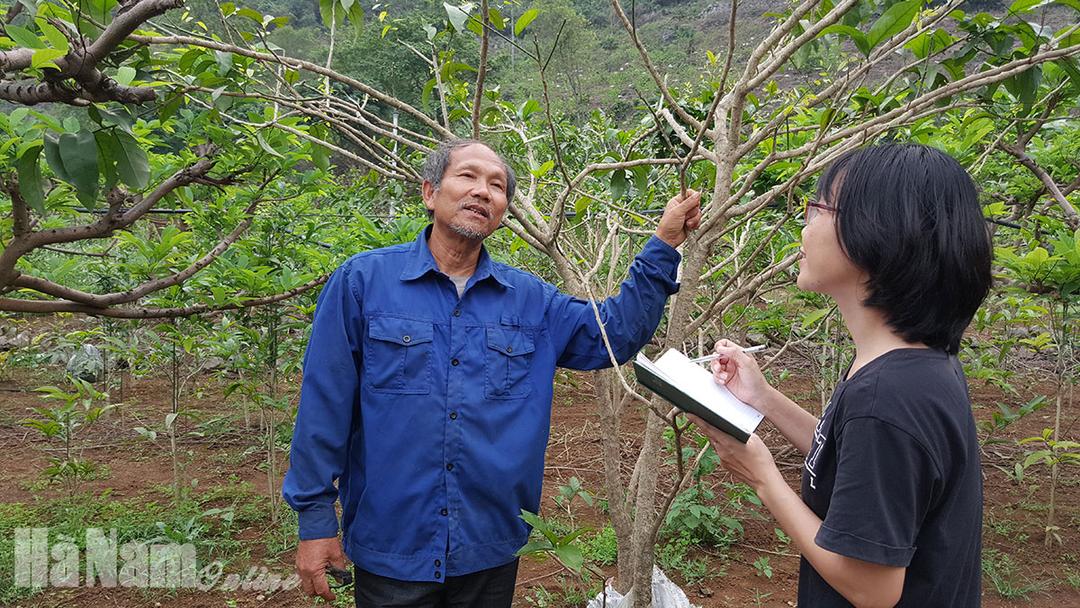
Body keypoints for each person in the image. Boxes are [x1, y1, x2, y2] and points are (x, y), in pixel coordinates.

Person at [283, 138, 702, 607]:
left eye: (497, 185)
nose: (483, 191)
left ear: (502, 211)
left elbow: (615, 335)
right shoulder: (362, 283)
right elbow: (324, 405)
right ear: (429, 192)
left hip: (488, 546)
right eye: (468, 176)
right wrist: (315, 520)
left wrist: (664, 244)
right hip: (393, 542)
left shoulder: (532, 301)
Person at [689, 144, 991, 607]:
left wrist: (762, 475)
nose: (804, 228)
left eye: (817, 210)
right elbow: (852, 458)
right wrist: (764, 397)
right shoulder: (914, 365)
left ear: (877, 233)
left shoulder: (887, 398)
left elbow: (872, 587)